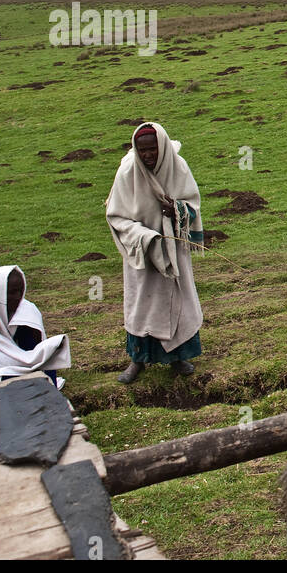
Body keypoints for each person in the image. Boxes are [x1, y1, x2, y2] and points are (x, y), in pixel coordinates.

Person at [106, 122, 204, 384]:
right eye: (142, 150)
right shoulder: (128, 172)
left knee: (177, 301)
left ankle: (179, 356)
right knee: (142, 304)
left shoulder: (178, 166)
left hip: (173, 249)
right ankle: (137, 359)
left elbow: (192, 203)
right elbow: (115, 215)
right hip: (143, 252)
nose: (148, 155)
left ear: (161, 146)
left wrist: (176, 210)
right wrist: (144, 237)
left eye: (152, 149)